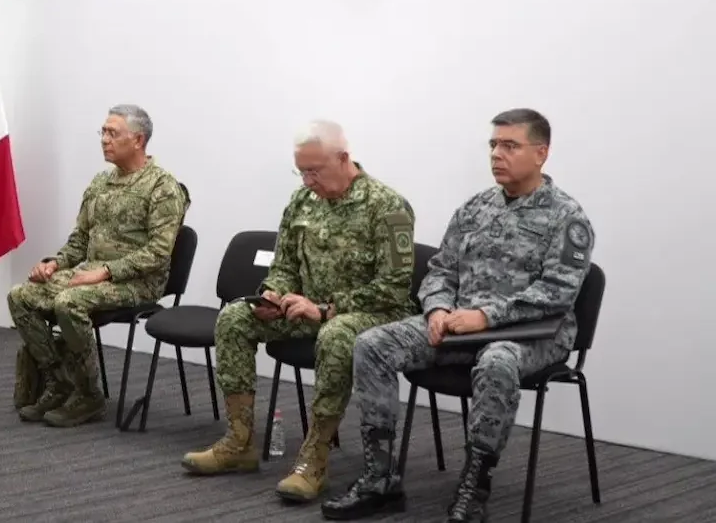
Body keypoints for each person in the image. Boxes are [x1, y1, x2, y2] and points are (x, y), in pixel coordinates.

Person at [321, 108, 595, 523]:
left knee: (497, 361)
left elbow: (555, 294)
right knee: (373, 343)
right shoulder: (475, 208)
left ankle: (475, 485)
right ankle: (380, 479)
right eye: (493, 145)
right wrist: (437, 307)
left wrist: (485, 316)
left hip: (531, 333)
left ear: (541, 153)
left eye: (510, 145)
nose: (497, 155)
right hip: (457, 325)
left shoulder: (567, 217)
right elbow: (441, 269)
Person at [180, 120, 416, 504]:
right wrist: (274, 294)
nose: (307, 180)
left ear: (343, 158)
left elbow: (394, 288)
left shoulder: (388, 207)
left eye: (314, 171)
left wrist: (325, 309)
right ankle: (239, 441)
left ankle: (315, 459)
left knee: (337, 335)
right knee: (235, 318)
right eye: (301, 170)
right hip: (306, 309)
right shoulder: (302, 201)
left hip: (373, 315)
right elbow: (285, 262)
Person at [7, 104, 188, 428]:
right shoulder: (99, 183)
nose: (104, 139)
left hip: (137, 281)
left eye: (112, 133)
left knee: (68, 301)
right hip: (90, 272)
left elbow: (160, 252)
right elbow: (79, 240)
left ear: (138, 139)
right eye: (102, 132)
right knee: (21, 295)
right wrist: (54, 264)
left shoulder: (162, 187)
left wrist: (106, 272)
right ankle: (59, 381)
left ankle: (89, 396)